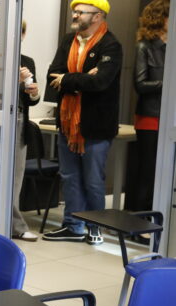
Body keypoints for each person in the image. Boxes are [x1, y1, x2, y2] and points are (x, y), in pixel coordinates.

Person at [43, 0, 122, 245]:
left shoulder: (111, 45)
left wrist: (68, 80)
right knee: (69, 176)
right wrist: (81, 79)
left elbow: (101, 83)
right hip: (68, 124)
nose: (75, 15)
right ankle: (73, 226)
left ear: (97, 16)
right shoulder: (68, 40)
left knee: (92, 180)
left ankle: (94, 227)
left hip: (95, 125)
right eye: (74, 11)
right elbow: (52, 74)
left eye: (80, 12)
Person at [125, 0, 168, 212]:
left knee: (163, 173)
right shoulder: (144, 47)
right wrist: (168, 82)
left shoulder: (171, 48)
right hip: (150, 116)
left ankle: (154, 218)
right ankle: (139, 220)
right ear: (162, 19)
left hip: (168, 118)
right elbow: (140, 84)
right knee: (147, 171)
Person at [12, 20, 41, 242]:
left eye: (20, 32)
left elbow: (32, 99)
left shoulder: (27, 61)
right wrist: (15, 81)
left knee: (16, 176)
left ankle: (15, 225)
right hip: (0, 120)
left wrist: (33, 92)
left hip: (20, 120)